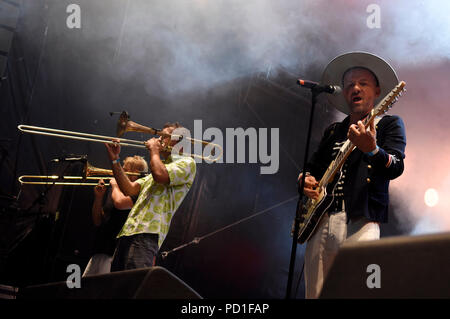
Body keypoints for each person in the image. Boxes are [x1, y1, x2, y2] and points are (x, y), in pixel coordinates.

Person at [298, 52, 406, 298]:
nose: (355, 89)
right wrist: (304, 179)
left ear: (378, 91)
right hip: (320, 221)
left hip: (361, 219)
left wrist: (372, 150)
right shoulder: (334, 130)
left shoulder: (389, 124)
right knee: (315, 294)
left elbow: (396, 166)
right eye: (349, 85)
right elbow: (311, 168)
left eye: (363, 83)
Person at [104, 122, 196, 271]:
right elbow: (129, 189)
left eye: (165, 136)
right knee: (115, 286)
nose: (159, 140)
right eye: (159, 136)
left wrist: (154, 151)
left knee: (133, 286)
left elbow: (160, 175)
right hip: (128, 232)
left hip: (148, 233)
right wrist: (115, 160)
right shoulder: (156, 168)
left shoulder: (187, 162)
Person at [82, 156, 148, 276]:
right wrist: (99, 197)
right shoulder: (116, 192)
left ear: (135, 173)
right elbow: (97, 221)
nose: (119, 172)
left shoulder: (137, 193)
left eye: (124, 169)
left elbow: (120, 203)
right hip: (99, 250)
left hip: (113, 254)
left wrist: (115, 185)